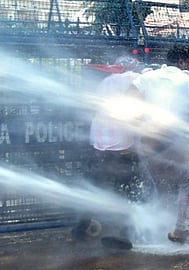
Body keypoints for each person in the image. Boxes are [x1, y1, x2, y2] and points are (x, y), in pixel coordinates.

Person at [132, 45, 189, 246]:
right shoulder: (187, 80)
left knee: (162, 186)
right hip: (170, 137)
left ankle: (152, 228)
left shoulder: (148, 76)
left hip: (145, 139)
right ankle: (180, 230)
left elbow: (129, 98)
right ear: (181, 62)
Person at [71, 55, 142, 243]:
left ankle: (80, 229)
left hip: (100, 144)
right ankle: (125, 235)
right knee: (127, 190)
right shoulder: (135, 79)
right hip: (122, 146)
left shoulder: (104, 83)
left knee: (96, 186)